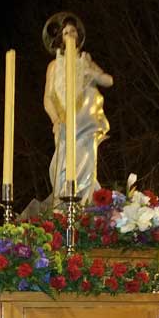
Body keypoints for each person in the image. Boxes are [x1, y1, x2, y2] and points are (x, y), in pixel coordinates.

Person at [42, 12, 112, 206]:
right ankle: (64, 210)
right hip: (64, 125)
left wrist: (90, 72)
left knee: (87, 166)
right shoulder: (54, 66)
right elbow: (47, 99)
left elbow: (108, 80)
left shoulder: (85, 60)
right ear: (59, 38)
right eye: (66, 32)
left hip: (86, 124)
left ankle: (86, 206)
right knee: (63, 165)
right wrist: (55, 120)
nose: (70, 35)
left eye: (73, 31)